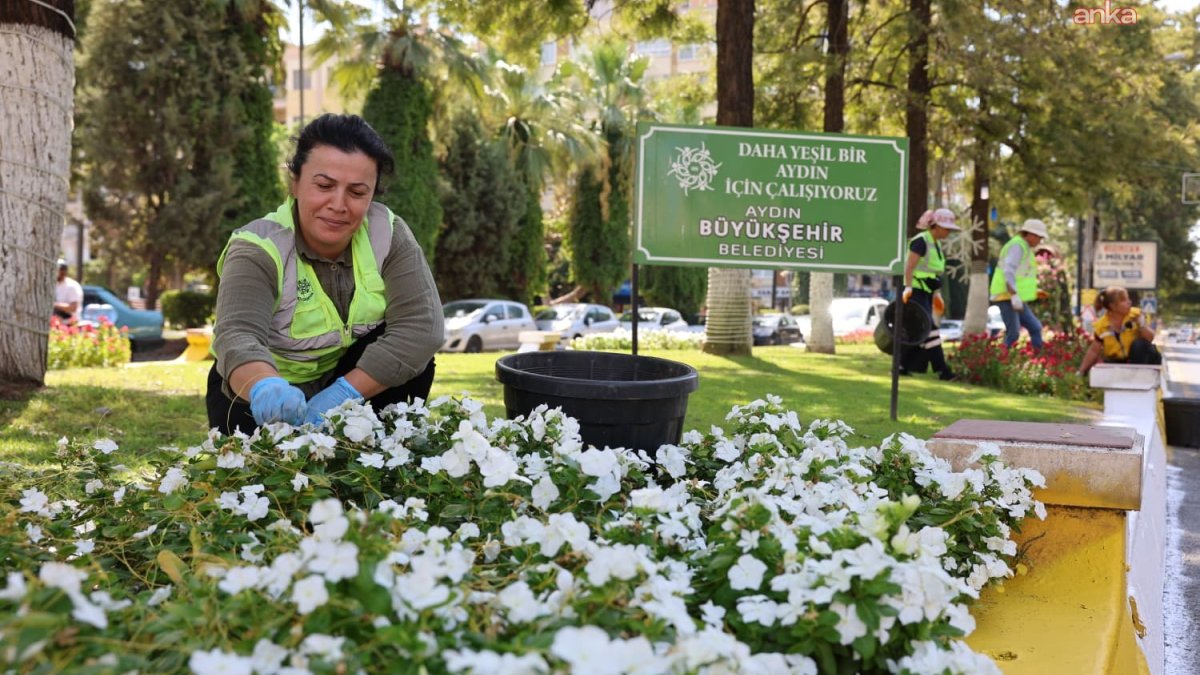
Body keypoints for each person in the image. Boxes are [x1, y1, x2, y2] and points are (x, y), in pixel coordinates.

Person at [207, 114, 444, 435]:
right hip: (261, 393)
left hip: (351, 381)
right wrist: (266, 387)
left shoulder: (387, 232)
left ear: (373, 194)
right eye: (324, 185)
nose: (338, 204)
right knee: (261, 478)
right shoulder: (258, 247)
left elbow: (422, 327)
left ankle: (381, 451)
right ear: (295, 182)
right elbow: (237, 335)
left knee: (412, 357)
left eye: (357, 192)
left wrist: (343, 395)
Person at [900, 207, 958, 381]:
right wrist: (908, 287)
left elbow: (932, 273)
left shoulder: (936, 243)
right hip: (914, 292)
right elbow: (909, 267)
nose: (949, 232)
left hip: (926, 292)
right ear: (936, 225)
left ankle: (902, 366)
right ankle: (943, 371)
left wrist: (937, 294)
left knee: (919, 331)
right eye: (947, 228)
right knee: (929, 329)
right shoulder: (921, 241)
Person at [989, 218, 1048, 351]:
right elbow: (1008, 271)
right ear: (1031, 234)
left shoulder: (1024, 247)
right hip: (1006, 296)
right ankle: (999, 361)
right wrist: (1014, 294)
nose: (1040, 241)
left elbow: (1021, 275)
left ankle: (1037, 363)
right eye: (1039, 237)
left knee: (1035, 327)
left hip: (1014, 297)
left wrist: (1033, 291)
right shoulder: (1017, 246)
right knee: (1013, 333)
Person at [1077, 286, 1162, 377]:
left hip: (1145, 361)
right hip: (1119, 363)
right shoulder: (1102, 326)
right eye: (1124, 300)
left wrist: (1141, 326)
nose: (1129, 302)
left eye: (1128, 298)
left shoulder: (1136, 315)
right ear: (1112, 306)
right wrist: (1081, 371)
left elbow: (1151, 339)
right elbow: (1094, 351)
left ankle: (1137, 377)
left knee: (1139, 344)